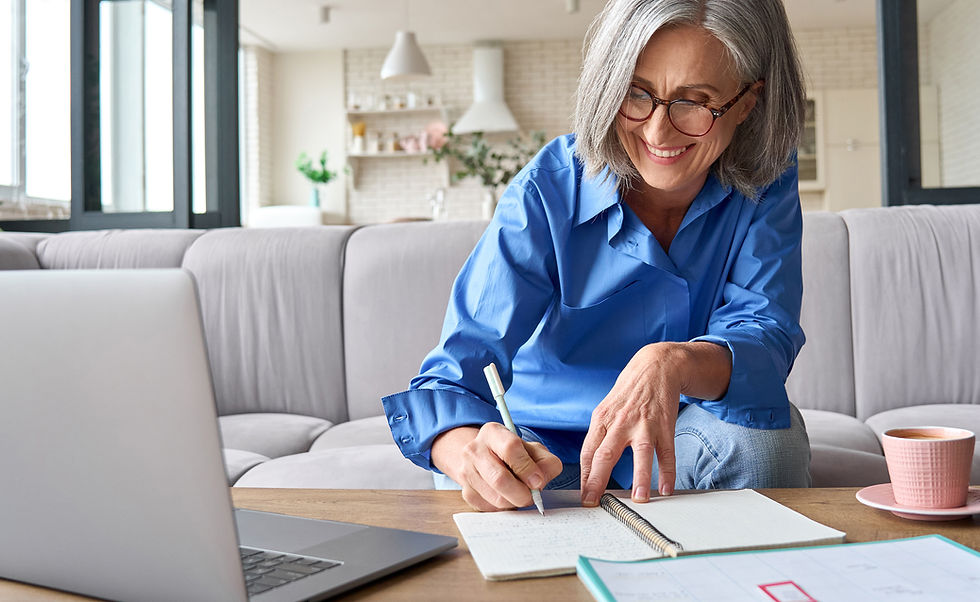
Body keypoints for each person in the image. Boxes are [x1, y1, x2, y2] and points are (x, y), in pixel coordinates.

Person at [383, 0, 811, 512]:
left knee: (769, 440)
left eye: (695, 102)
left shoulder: (767, 179)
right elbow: (454, 374)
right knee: (476, 477)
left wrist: (672, 362)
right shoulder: (548, 190)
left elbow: (763, 334)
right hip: (545, 455)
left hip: (679, 440)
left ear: (747, 103)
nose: (657, 132)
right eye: (636, 94)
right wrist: (466, 452)